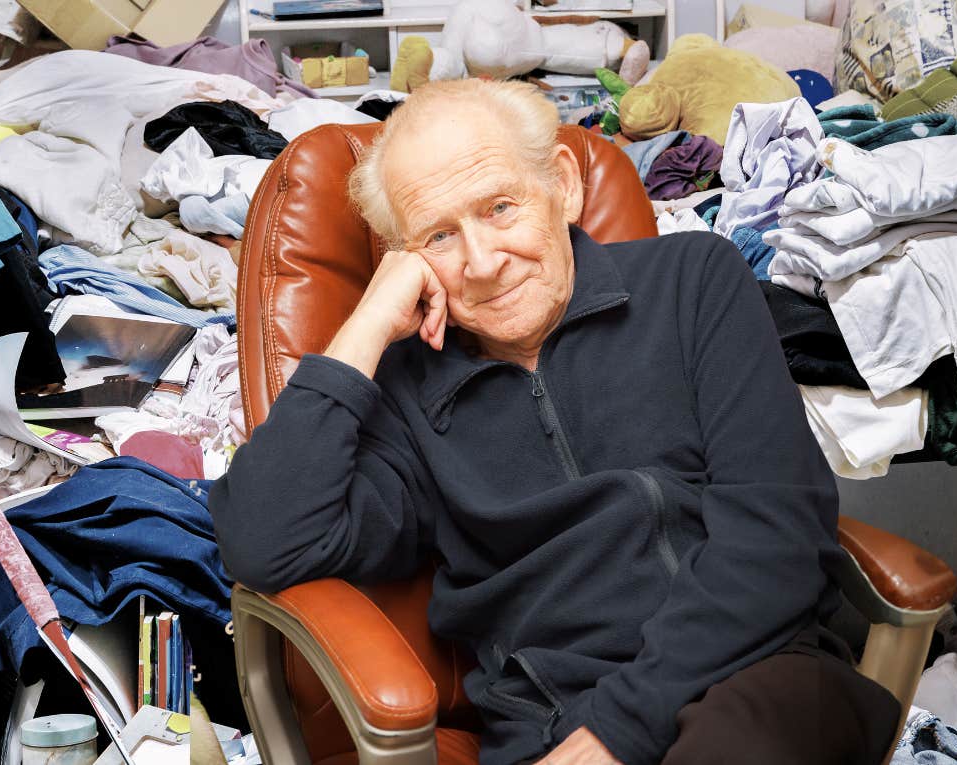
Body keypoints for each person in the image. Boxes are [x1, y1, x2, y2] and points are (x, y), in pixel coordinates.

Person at [209, 78, 899, 765]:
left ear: (562, 186)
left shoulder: (693, 281)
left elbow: (778, 533)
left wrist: (618, 731)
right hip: (547, 728)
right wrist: (366, 325)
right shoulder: (409, 393)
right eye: (439, 235)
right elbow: (265, 541)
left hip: (755, 676)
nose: (482, 263)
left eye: (500, 207)